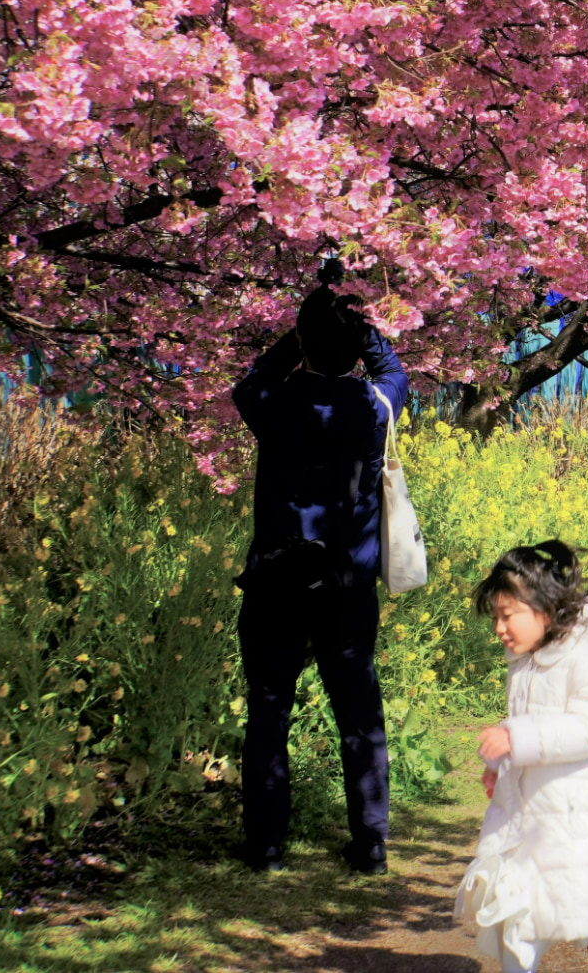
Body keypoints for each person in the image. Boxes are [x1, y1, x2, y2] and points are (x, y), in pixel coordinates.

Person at [230, 261, 411, 874]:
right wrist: (362, 330)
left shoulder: (272, 402)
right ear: (355, 350)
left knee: (270, 708)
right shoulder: (373, 404)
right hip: (347, 585)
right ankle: (370, 843)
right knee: (359, 714)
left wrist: (300, 336)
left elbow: (252, 378)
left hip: (275, 580)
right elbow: (393, 370)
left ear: (304, 344)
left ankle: (266, 844)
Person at [457, 543, 588, 973]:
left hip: (582, 811)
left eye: (508, 615)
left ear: (545, 607)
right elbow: (523, 722)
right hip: (531, 813)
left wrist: (516, 737)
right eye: (495, 618)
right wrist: (500, 764)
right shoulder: (523, 662)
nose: (500, 629)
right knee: (520, 913)